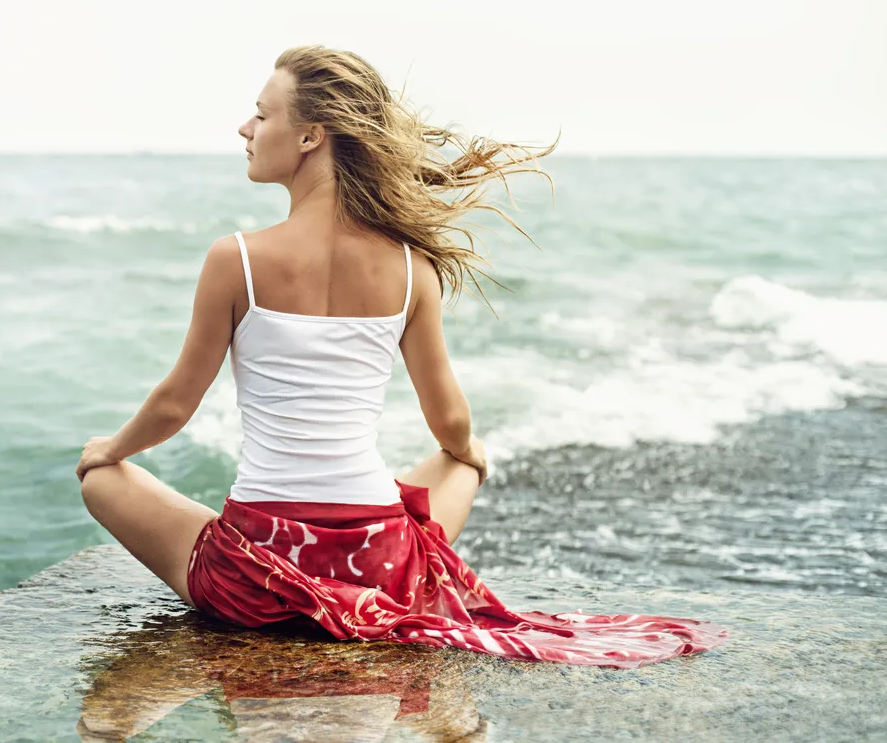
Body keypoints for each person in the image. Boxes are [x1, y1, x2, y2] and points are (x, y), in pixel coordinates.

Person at [76, 45, 728, 668]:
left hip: (258, 578)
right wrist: (469, 455)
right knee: (457, 461)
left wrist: (111, 450)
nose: (245, 128)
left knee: (101, 480)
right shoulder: (414, 268)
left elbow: (174, 405)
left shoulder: (236, 259)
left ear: (311, 136)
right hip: (382, 566)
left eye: (262, 114)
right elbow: (449, 421)